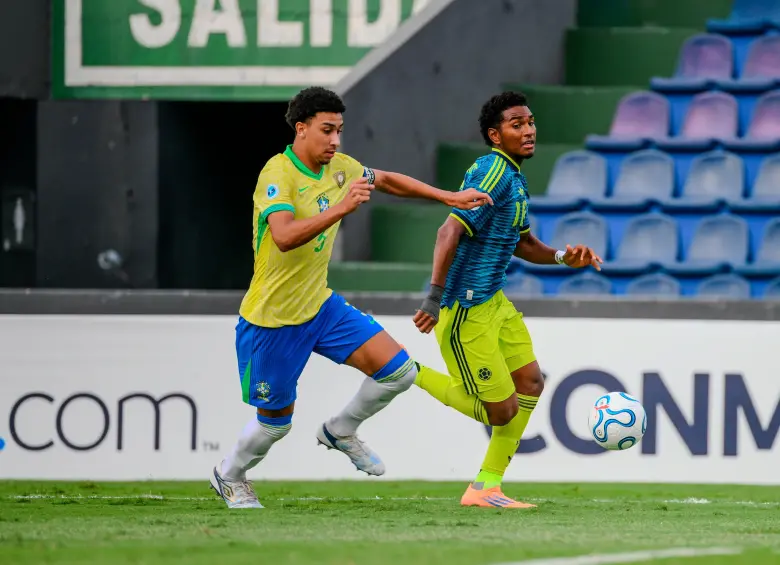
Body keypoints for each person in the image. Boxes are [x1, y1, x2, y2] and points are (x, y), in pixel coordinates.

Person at [210, 86, 493, 509]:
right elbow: (284, 236)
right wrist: (340, 209)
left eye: (340, 130)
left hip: (320, 306)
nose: (335, 141)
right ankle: (230, 474)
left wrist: (447, 197)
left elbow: (388, 180)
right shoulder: (277, 174)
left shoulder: (341, 167)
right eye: (326, 130)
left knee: (398, 372)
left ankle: (340, 429)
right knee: (274, 427)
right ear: (301, 129)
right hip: (272, 320)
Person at [412, 91, 603, 508]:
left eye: (531, 122)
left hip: (494, 301)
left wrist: (559, 257)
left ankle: (486, 487)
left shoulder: (514, 176)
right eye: (517, 124)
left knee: (531, 382)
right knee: (501, 411)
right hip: (465, 308)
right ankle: (403, 372)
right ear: (495, 135)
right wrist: (433, 297)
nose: (530, 130)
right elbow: (449, 231)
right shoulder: (492, 172)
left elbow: (520, 241)